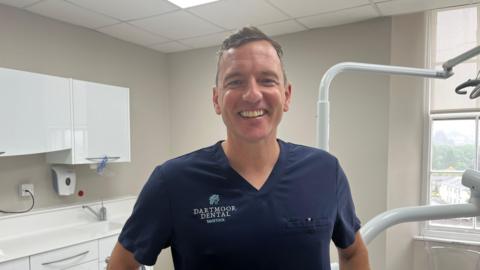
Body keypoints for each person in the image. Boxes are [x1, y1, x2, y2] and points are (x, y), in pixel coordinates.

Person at [108, 26, 370, 270]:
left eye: (267, 80)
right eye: (235, 82)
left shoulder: (325, 171)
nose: (252, 94)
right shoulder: (172, 182)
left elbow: (353, 252)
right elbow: (122, 263)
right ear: (216, 99)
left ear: (286, 96)